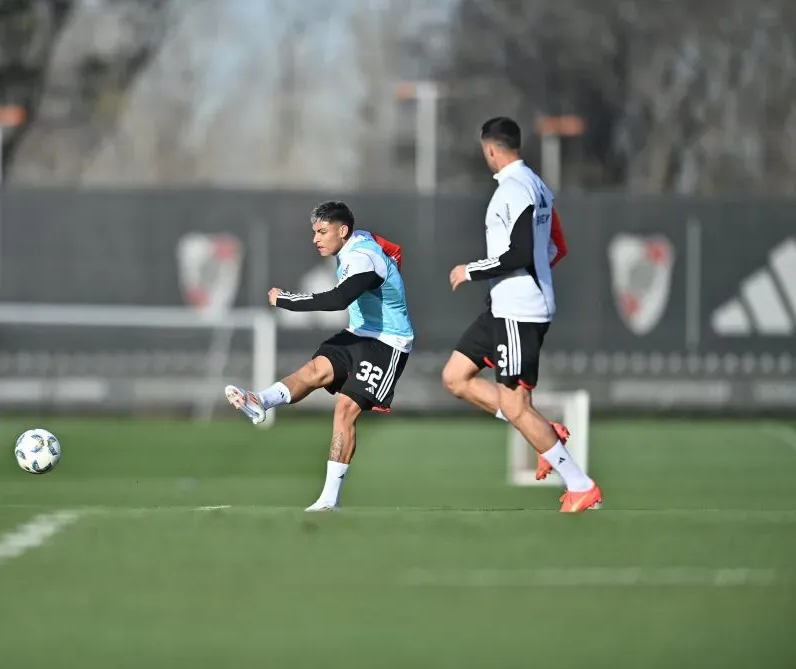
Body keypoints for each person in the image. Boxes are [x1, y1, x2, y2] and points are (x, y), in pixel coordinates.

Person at [445, 116, 601, 513]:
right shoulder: (537, 185)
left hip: (518, 311)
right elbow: (556, 246)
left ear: (491, 150)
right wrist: (536, 276)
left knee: (516, 407)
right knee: (455, 377)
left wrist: (470, 270)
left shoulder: (513, 190)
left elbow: (516, 252)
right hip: (505, 305)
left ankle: (580, 484)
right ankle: (543, 432)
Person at [224, 201, 413, 511]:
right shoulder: (362, 241)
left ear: (343, 231)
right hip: (359, 332)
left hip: (388, 342)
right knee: (314, 371)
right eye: (314, 232)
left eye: (323, 232)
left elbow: (339, 299)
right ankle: (260, 401)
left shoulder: (364, 258)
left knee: (345, 409)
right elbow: (394, 248)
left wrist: (285, 300)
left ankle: (329, 501)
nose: (316, 239)